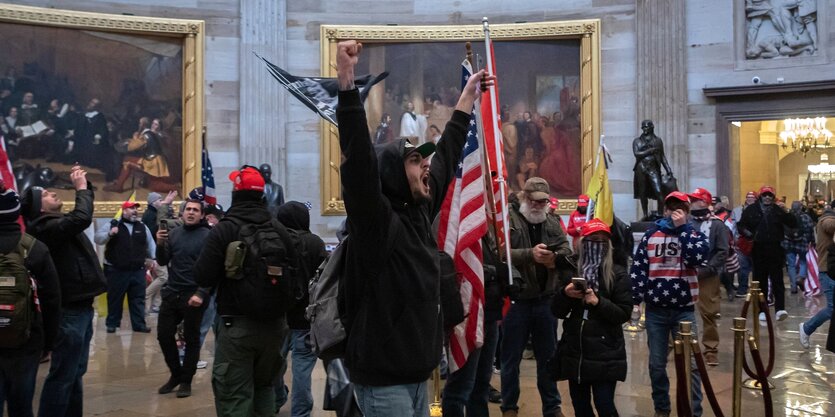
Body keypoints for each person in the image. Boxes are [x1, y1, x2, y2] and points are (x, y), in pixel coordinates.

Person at [334, 39, 489, 417]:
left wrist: (466, 101)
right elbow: (357, 159)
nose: (425, 167)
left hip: (418, 375)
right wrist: (346, 80)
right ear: (391, 172)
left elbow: (449, 154)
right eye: (416, 160)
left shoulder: (418, 212)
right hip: (383, 379)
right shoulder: (374, 220)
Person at [193, 166, 288, 416]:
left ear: (236, 194)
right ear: (262, 196)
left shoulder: (225, 228)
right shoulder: (278, 228)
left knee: (234, 394)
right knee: (265, 388)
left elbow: (202, 275)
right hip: (276, 327)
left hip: (236, 326)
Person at [20, 166, 107, 417]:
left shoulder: (54, 223)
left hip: (80, 306)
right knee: (63, 375)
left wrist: (86, 187)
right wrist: (81, 189)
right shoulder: (43, 228)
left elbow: (78, 217)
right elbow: (81, 218)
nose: (52, 193)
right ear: (40, 208)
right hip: (68, 310)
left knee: (75, 373)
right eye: (46, 194)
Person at [631, 191, 709, 417]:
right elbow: (638, 270)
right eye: (671, 207)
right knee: (656, 365)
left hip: (684, 311)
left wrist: (683, 229)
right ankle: (661, 409)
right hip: (655, 311)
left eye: (681, 208)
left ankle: (693, 411)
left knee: (692, 366)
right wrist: (635, 301)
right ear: (665, 209)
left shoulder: (694, 234)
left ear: (687, 211)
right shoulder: (650, 235)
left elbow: (696, 259)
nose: (675, 211)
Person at [502, 177, 571, 417]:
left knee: (548, 358)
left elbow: (566, 249)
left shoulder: (552, 220)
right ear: (523, 197)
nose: (537, 205)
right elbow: (499, 252)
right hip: (516, 300)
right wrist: (529, 255)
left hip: (545, 300)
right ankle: (509, 406)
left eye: (542, 202)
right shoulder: (507, 218)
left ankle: (552, 407)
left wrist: (556, 258)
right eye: (533, 200)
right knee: (510, 360)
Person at [551, 219, 631, 417]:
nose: (597, 245)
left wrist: (598, 302)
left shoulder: (618, 274)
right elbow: (557, 311)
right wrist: (565, 294)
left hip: (606, 352)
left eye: (602, 241)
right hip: (576, 351)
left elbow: (623, 314)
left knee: (605, 405)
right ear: (583, 243)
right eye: (593, 240)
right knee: (580, 406)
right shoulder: (571, 271)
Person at [0, 184, 60, 417]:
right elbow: (52, 299)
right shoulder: (35, 248)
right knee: (22, 404)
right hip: (26, 340)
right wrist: (49, 343)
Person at [441, 233, 509, 417]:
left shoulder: (488, 225)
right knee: (460, 386)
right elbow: (448, 260)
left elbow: (498, 258)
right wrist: (491, 272)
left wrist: (507, 274)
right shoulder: (456, 216)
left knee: (481, 385)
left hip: (490, 312)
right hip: (466, 316)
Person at [272, 201, 328, 417]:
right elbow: (324, 281)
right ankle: (301, 414)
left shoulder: (276, 242)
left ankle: (277, 397)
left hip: (279, 317)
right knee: (303, 371)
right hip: (306, 318)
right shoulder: (315, 243)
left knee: (273, 366)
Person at [154, 199, 211, 398]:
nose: (191, 213)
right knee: (163, 334)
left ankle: (186, 380)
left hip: (193, 293)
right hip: (173, 291)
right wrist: (160, 244)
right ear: (182, 213)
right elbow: (162, 260)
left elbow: (212, 269)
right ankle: (176, 374)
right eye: (188, 209)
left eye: (196, 210)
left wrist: (201, 293)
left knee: (191, 338)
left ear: (202, 215)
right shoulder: (175, 233)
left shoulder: (207, 236)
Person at [94, 200, 156, 333]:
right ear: (124, 211)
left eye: (136, 208)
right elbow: (98, 238)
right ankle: (112, 324)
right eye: (131, 208)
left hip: (137, 270)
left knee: (138, 299)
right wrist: (110, 234)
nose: (135, 211)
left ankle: (139, 325)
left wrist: (155, 258)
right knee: (115, 298)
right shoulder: (113, 224)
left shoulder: (142, 227)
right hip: (116, 270)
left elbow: (150, 244)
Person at [737, 186, 797, 321]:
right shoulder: (751, 210)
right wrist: (748, 234)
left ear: (773, 197)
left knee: (777, 280)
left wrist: (785, 210)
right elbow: (741, 225)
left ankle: (780, 309)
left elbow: (793, 223)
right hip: (758, 249)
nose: (767, 197)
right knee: (760, 280)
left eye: (770, 195)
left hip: (775, 248)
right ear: (761, 196)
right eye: (765, 195)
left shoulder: (778, 210)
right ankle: (761, 310)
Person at [688, 187, 729, 366]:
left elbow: (722, 251)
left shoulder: (717, 225)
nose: (691, 203)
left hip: (707, 275)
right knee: (678, 311)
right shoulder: (686, 223)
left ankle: (711, 349)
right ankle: (677, 345)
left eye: (695, 200)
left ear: (704, 202)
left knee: (709, 313)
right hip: (686, 273)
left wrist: (708, 269)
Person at [801, 199, 835, 349]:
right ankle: (807, 328)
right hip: (828, 270)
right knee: (832, 309)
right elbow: (830, 225)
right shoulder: (826, 219)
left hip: (830, 269)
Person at [632, 120, 673, 219]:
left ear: (651, 127)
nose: (644, 129)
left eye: (646, 127)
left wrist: (668, 170)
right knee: (643, 193)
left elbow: (662, 156)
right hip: (641, 168)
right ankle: (645, 214)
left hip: (653, 168)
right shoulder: (637, 141)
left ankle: (660, 214)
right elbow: (637, 154)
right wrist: (650, 150)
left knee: (659, 191)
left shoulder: (658, 140)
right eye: (643, 127)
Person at [783, 201, 815, 294]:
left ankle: (793, 287)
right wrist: (812, 241)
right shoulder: (806, 217)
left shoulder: (787, 217)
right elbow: (810, 230)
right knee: (803, 262)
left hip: (789, 243)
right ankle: (800, 277)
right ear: (801, 207)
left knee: (791, 265)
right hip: (802, 243)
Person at [732, 191, 758, 296]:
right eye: (748, 197)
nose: (750, 199)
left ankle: (758, 289)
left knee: (757, 267)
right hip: (742, 242)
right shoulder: (737, 210)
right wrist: (735, 240)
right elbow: (734, 226)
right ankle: (742, 288)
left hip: (757, 243)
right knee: (743, 267)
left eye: (752, 197)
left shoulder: (760, 211)